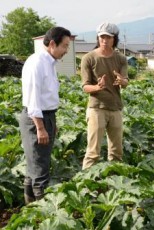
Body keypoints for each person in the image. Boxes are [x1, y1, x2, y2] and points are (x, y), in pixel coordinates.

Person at [19, 26, 71, 204]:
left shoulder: (49, 63)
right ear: (52, 44)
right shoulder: (37, 63)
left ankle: (30, 209)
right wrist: (41, 127)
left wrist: (50, 122)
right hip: (36, 119)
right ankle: (42, 216)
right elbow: (33, 99)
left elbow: (46, 96)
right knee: (40, 170)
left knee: (33, 167)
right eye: (64, 46)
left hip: (46, 116)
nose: (66, 51)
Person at [81, 22, 129, 170]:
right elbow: (85, 87)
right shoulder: (88, 58)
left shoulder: (121, 59)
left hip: (115, 108)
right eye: (102, 37)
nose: (104, 40)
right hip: (96, 108)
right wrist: (97, 87)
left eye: (108, 37)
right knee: (93, 152)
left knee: (116, 152)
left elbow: (125, 81)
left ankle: (113, 183)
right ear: (98, 38)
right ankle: (86, 184)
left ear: (114, 39)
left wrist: (122, 81)